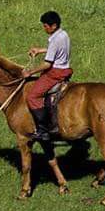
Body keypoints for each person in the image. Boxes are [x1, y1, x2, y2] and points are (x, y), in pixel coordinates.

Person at [23, 10, 71, 144]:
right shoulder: (63, 34)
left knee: (32, 96)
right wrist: (40, 50)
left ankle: (43, 130)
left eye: (45, 26)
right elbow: (57, 49)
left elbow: (47, 64)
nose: (44, 28)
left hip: (55, 73)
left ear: (53, 26)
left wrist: (30, 72)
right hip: (65, 69)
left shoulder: (55, 40)